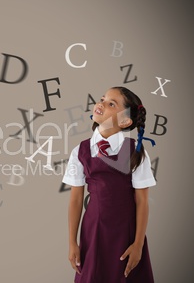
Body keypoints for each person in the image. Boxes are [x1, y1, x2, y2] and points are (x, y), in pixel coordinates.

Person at [63, 86, 156, 283]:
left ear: (125, 121)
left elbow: (142, 201)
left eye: (111, 104)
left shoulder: (135, 152)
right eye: (102, 99)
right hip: (93, 232)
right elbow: (76, 200)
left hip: (126, 234)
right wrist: (72, 242)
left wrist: (138, 243)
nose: (101, 104)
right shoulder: (80, 151)